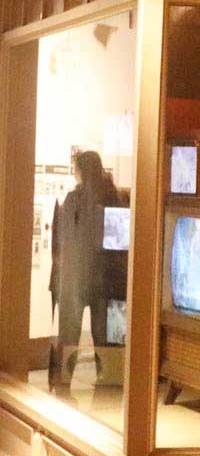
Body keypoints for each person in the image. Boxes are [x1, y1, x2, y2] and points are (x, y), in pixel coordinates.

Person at [50, 149, 122, 388]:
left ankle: (62, 380)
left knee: (69, 333)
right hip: (106, 279)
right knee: (105, 338)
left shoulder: (74, 200)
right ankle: (110, 380)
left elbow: (65, 241)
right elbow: (119, 245)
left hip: (78, 277)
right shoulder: (114, 198)